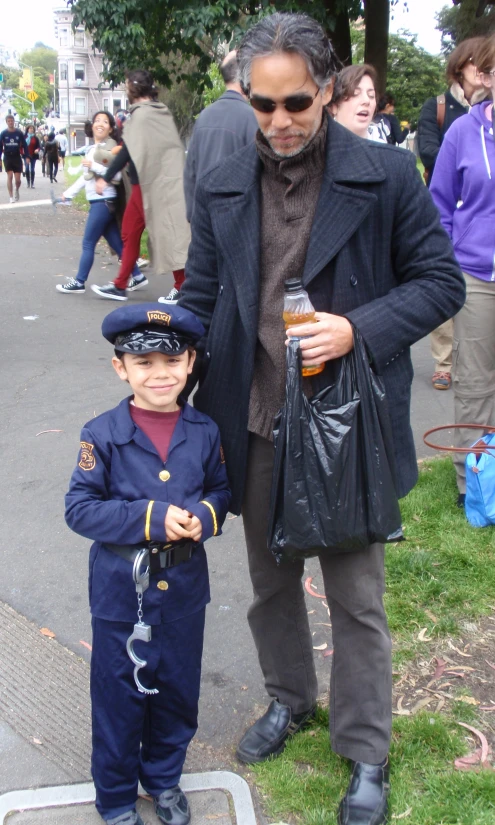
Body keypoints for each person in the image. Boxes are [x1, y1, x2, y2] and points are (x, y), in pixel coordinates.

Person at [179, 12, 465, 825]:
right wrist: (159, 363)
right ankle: (288, 696)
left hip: (344, 423)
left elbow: (438, 283)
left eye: (296, 101)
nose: (279, 121)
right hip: (252, 413)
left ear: (329, 88)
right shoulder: (225, 176)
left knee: (354, 597)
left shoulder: (383, 174)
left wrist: (356, 328)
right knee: (269, 587)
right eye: (261, 104)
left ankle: (365, 746)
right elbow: (202, 296)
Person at [64, 302, 231, 825]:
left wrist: (206, 515)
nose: (160, 374)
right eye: (144, 364)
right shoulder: (102, 433)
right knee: (119, 698)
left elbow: (221, 490)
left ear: (190, 364)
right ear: (121, 368)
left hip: (183, 590)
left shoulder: (204, 429)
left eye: (172, 361)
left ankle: (163, 780)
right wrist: (151, 518)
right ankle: (114, 799)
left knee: (177, 691)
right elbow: (80, 508)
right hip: (121, 590)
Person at [429, 34, 495, 510]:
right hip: (477, 275)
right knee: (475, 384)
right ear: (486, 77)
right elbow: (438, 205)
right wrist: (451, 257)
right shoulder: (461, 133)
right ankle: (472, 485)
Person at [417, 36, 487, 391]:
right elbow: (429, 150)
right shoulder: (442, 108)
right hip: (456, 219)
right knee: (449, 295)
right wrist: (459, 155)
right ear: (460, 68)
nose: (479, 69)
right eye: (473, 62)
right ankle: (444, 362)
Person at [91, 70, 190, 304]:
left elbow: (127, 151)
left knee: (166, 234)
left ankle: (180, 286)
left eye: (127, 86)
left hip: (151, 186)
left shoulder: (143, 117)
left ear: (133, 89)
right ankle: (121, 284)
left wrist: (105, 177)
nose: (125, 89)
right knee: (134, 233)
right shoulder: (159, 112)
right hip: (152, 185)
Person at [55, 111, 144, 295]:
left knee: (88, 243)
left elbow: (117, 175)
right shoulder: (90, 149)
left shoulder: (111, 148)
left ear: (111, 128)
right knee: (117, 243)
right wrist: (68, 194)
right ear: (92, 126)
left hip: (103, 202)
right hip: (99, 202)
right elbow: (84, 179)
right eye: (97, 121)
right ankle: (137, 275)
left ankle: (79, 282)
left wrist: (93, 165)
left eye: (105, 121)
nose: (100, 124)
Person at [183, 50, 258, 222]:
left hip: (205, 222)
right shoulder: (252, 118)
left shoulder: (204, 117)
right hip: (238, 225)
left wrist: (194, 218)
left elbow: (190, 173)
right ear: (246, 77)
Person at [329, 64, 387, 142]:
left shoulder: (383, 148)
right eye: (355, 94)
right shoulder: (318, 148)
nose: (367, 101)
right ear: (334, 106)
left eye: (371, 95)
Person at [0, 114, 28, 203]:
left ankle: (17, 189)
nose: (10, 122)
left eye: (12, 121)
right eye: (9, 121)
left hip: (16, 156)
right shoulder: (3, 133)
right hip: (7, 156)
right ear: (6, 122)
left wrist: (27, 156)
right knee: (10, 175)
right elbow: (0, 146)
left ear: (14, 122)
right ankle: (11, 196)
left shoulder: (19, 133)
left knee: (18, 180)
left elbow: (24, 145)